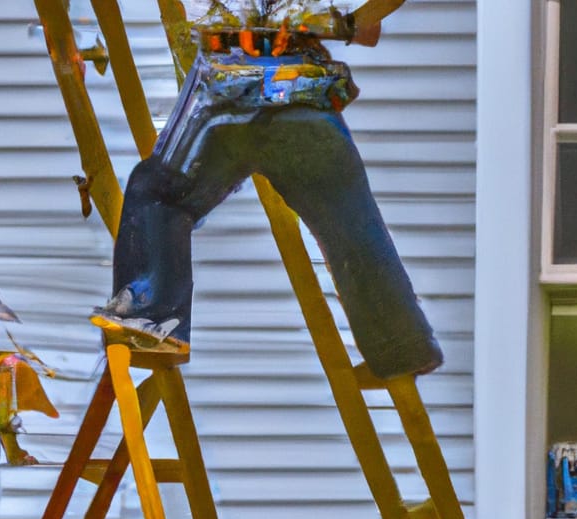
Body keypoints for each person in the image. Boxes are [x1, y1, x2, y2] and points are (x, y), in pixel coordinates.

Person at [91, 1, 442, 379]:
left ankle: (152, 315)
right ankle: (402, 346)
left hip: (228, 107)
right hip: (306, 102)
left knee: (158, 191)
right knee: (350, 220)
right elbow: (367, 31)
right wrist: (348, 21)